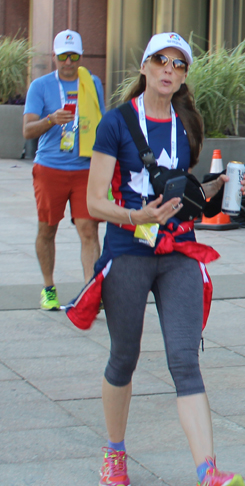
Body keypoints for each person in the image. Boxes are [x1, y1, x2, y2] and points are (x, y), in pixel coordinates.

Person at [85, 33, 245, 486]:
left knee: (185, 360)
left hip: (177, 251)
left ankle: (206, 475)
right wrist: (139, 218)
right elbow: (95, 201)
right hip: (128, 249)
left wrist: (215, 190)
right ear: (145, 66)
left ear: (183, 76)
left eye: (179, 64)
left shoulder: (187, 123)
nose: (169, 70)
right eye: (161, 60)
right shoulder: (117, 122)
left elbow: (182, 191)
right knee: (123, 357)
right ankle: (114, 452)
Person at [23, 29, 105, 311]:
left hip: (84, 168)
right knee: (47, 229)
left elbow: (102, 124)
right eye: (62, 56)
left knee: (88, 230)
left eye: (73, 56)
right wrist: (51, 119)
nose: (68, 62)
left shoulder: (92, 82)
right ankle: (48, 288)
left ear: (81, 56)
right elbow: (27, 130)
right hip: (50, 168)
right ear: (54, 57)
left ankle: (90, 292)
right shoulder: (41, 86)